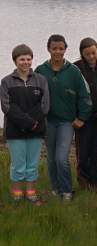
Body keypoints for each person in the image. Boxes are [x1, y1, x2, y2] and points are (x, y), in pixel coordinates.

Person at [35, 34, 92, 201]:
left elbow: (84, 95)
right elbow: (34, 95)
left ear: (65, 49)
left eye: (61, 48)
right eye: (54, 48)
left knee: (61, 158)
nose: (58, 52)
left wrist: (81, 117)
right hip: (48, 122)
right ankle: (55, 189)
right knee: (51, 159)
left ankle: (67, 192)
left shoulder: (74, 71)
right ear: (48, 49)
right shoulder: (41, 70)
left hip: (66, 122)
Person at [0, 44, 49, 202]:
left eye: (29, 59)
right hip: (15, 130)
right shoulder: (6, 81)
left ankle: (30, 192)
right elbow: (6, 106)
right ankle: (16, 192)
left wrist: (32, 122)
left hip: (36, 129)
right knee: (18, 164)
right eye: (22, 59)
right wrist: (26, 122)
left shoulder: (41, 80)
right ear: (15, 61)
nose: (26, 62)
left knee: (32, 163)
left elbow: (45, 105)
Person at [73, 37, 97, 192]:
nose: (92, 57)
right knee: (83, 150)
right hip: (83, 118)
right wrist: (75, 117)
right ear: (82, 54)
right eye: (88, 54)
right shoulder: (76, 68)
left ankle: (96, 180)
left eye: (94, 53)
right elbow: (71, 95)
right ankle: (83, 178)